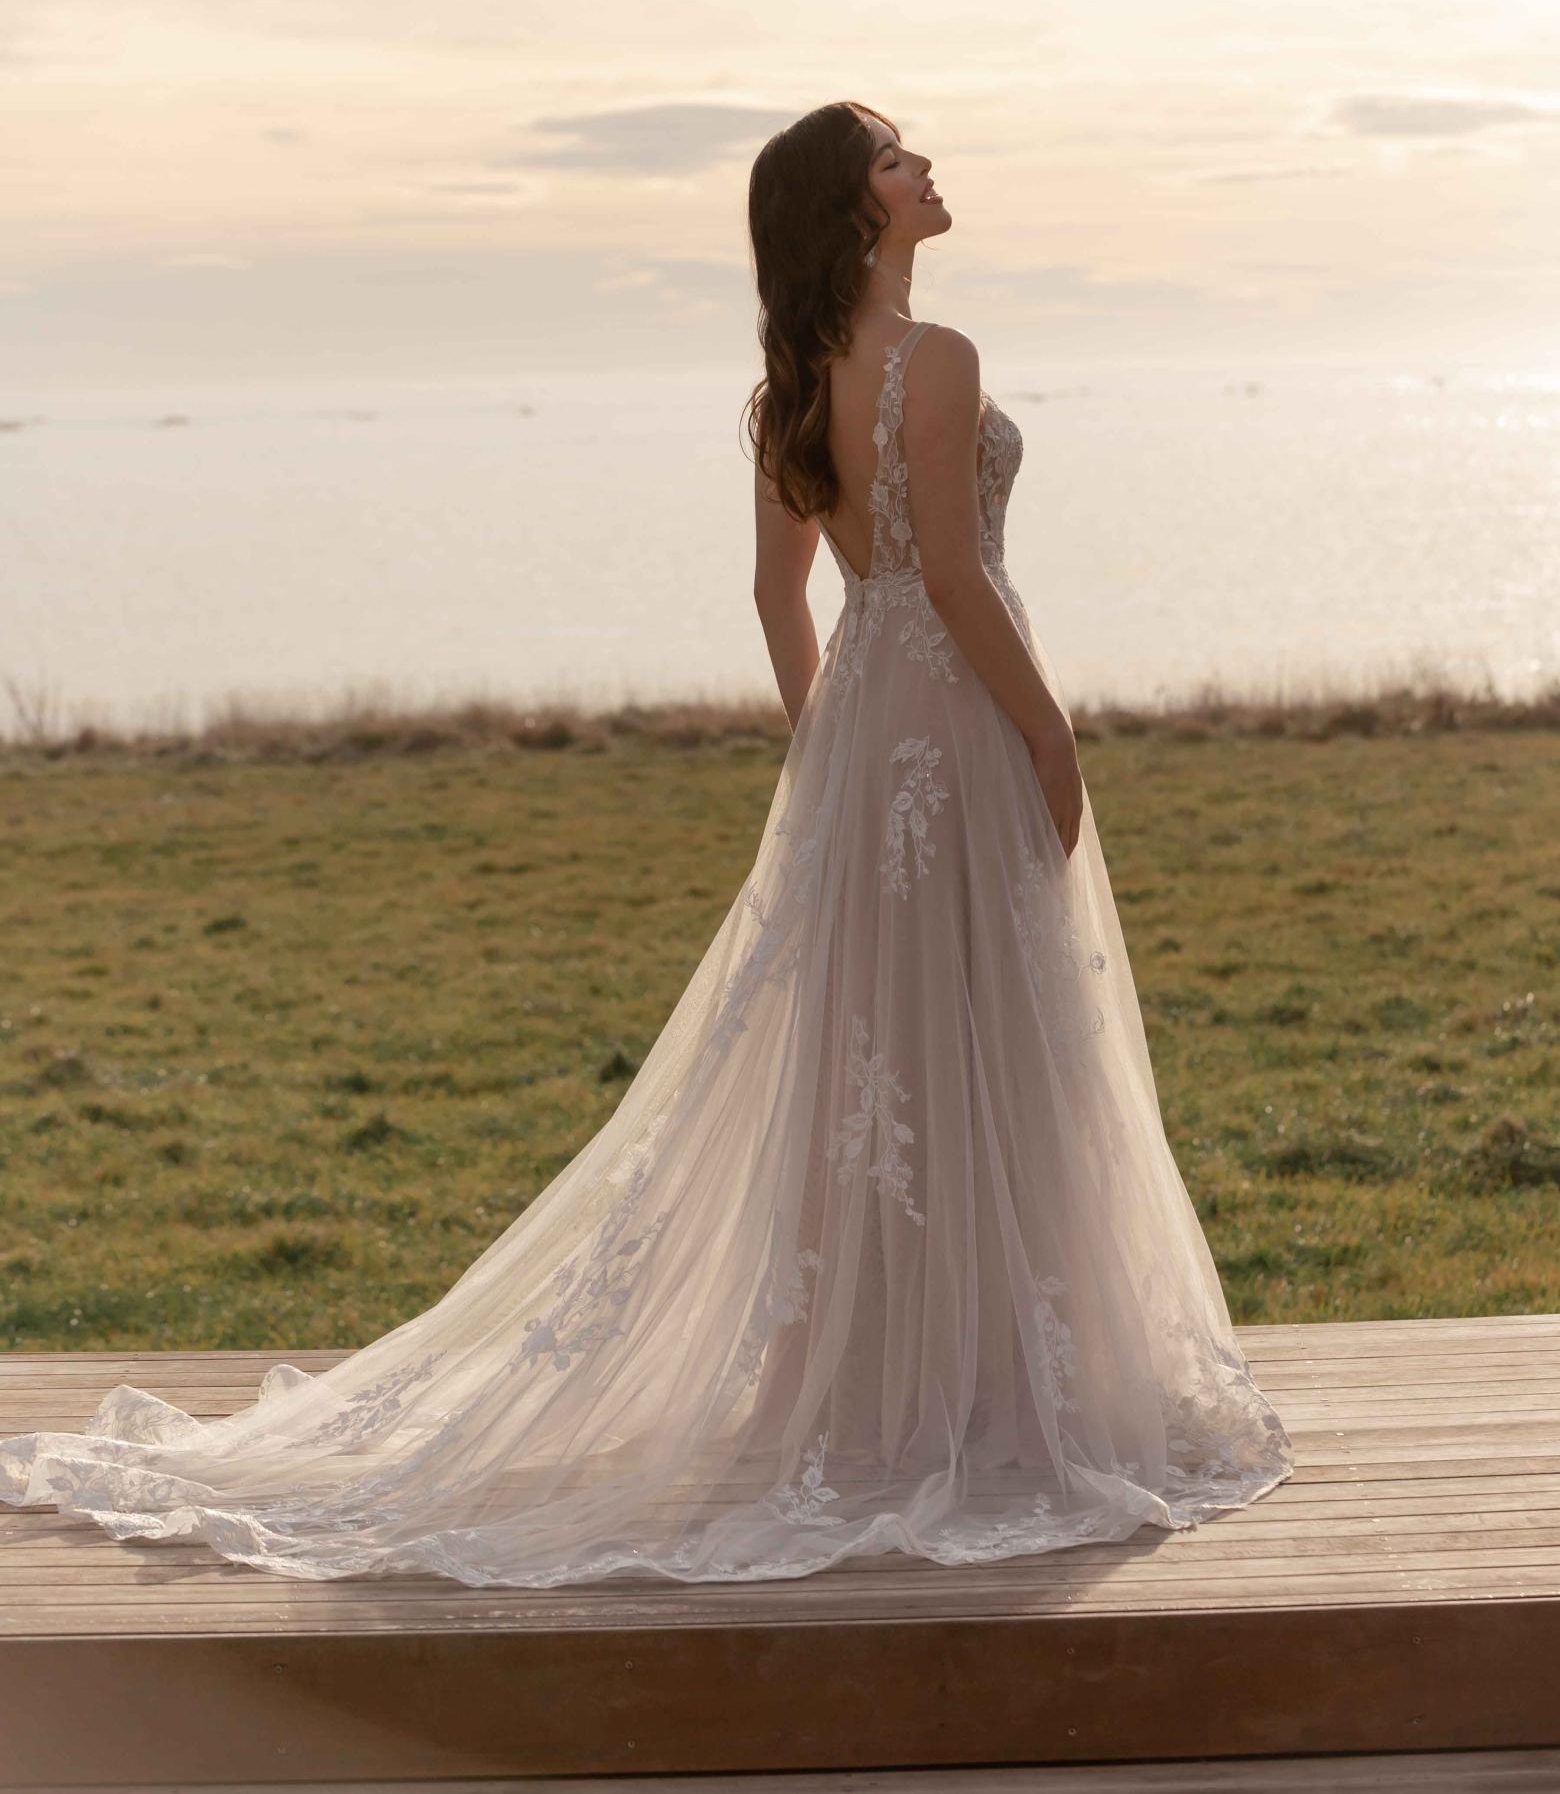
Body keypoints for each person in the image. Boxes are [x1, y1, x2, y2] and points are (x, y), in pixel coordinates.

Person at [0, 98, 1293, 1585]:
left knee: (880, 1055)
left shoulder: (790, 383)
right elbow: (949, 572)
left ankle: (894, 1390)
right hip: (953, 720)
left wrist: (830, 754)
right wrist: (1047, 733)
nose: (925, 164)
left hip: (873, 736)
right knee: (985, 1038)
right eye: (893, 155)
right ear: (850, 208)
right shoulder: (937, 361)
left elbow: (777, 600)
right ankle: (990, 1392)